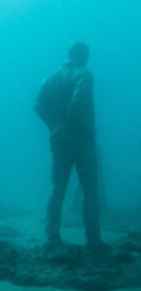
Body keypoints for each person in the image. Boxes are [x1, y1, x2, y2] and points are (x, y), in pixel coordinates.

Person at [34, 41, 103, 250]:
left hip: (58, 141)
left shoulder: (50, 77)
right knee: (90, 190)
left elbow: (37, 105)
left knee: (57, 189)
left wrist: (54, 127)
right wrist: (71, 129)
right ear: (85, 55)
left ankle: (52, 237)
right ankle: (93, 240)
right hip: (81, 140)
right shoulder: (84, 75)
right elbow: (77, 104)